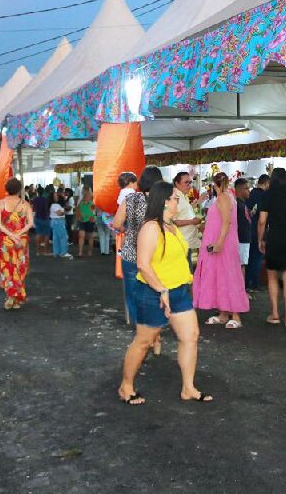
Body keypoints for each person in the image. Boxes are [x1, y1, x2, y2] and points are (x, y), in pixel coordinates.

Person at [118, 181, 211, 405]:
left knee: (190, 336)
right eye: (175, 197)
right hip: (153, 293)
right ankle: (126, 386)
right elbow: (142, 264)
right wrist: (161, 289)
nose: (178, 200)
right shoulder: (151, 227)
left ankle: (188, 388)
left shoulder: (170, 224)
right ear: (165, 201)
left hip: (178, 291)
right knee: (143, 341)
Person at [194, 173, 250, 328]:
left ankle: (235, 315)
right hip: (220, 242)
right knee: (220, 276)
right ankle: (224, 313)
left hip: (222, 244)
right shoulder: (226, 197)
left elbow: (227, 222)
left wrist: (218, 243)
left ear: (214, 184)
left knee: (228, 276)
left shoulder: (223, 198)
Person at [113, 167, 163, 336]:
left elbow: (116, 223)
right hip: (154, 253)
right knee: (154, 289)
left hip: (131, 252)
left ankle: (138, 325)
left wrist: (128, 230)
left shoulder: (131, 198)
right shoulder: (162, 201)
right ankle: (152, 324)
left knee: (133, 291)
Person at [258, 168, 286, 325]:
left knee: (272, 276)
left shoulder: (267, 194)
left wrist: (260, 239)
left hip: (273, 237)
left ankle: (275, 314)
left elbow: (262, 221)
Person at [0, 178, 33, 310]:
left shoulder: (0, 203)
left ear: (6, 189)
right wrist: (18, 234)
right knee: (19, 265)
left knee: (7, 265)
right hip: (21, 239)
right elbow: (30, 223)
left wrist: (11, 235)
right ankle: (16, 298)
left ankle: (10, 295)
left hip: (5, 239)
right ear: (19, 190)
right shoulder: (25, 204)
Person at [171, 172, 202, 269]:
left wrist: (197, 203)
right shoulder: (175, 197)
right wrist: (192, 222)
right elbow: (173, 221)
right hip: (181, 243)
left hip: (187, 242)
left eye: (190, 182)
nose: (189, 185)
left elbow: (183, 212)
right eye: (186, 183)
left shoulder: (183, 195)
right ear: (177, 183)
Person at [245, 174, 269, 290]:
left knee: (248, 258)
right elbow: (262, 220)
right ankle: (254, 283)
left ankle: (246, 282)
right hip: (259, 231)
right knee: (257, 257)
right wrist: (262, 237)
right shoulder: (265, 196)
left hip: (247, 231)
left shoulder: (249, 194)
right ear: (266, 183)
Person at [234, 178, 253, 286]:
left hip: (244, 239)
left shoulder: (241, 204)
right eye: (246, 189)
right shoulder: (237, 205)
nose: (249, 191)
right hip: (241, 239)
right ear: (240, 190)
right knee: (240, 266)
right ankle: (241, 290)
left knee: (242, 264)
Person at [50, 190, 72, 259]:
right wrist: (65, 211)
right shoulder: (55, 205)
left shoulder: (54, 205)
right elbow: (59, 214)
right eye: (55, 195)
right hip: (59, 222)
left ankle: (57, 252)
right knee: (63, 237)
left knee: (56, 238)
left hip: (55, 222)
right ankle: (63, 252)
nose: (57, 196)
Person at [31, 187, 52, 256]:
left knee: (38, 234)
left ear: (37, 192)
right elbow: (47, 209)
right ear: (43, 192)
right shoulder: (45, 199)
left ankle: (38, 251)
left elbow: (33, 209)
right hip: (45, 218)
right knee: (46, 235)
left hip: (37, 217)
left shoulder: (35, 199)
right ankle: (45, 251)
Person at [77, 188, 97, 257]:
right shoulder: (81, 201)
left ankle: (89, 251)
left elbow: (94, 212)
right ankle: (80, 252)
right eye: (83, 192)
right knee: (81, 236)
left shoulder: (91, 202)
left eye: (85, 191)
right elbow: (78, 209)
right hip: (82, 220)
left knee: (90, 237)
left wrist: (94, 218)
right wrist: (79, 216)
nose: (84, 193)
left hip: (89, 220)